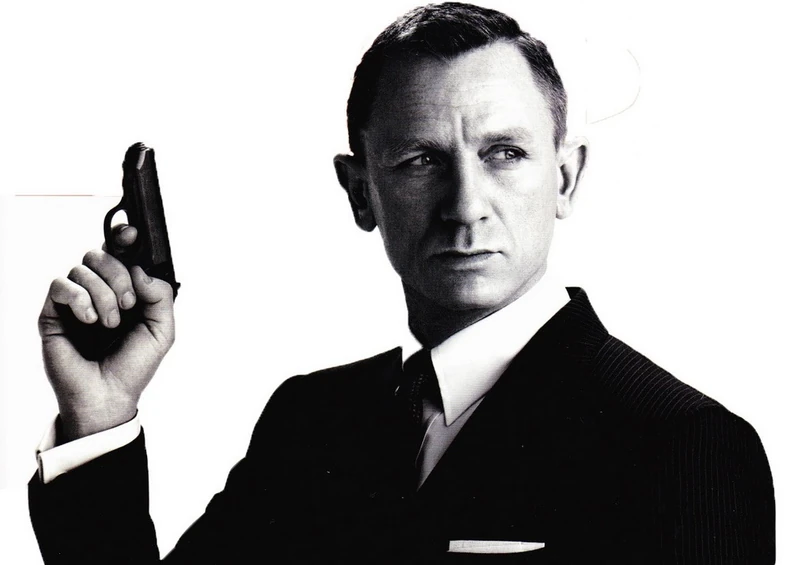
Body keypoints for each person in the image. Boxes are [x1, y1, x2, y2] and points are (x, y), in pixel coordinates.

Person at [28, 3, 775, 563]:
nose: (466, 204)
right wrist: (99, 414)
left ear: (566, 178)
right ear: (360, 193)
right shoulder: (307, 423)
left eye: (505, 153)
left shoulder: (685, 447)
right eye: (420, 160)